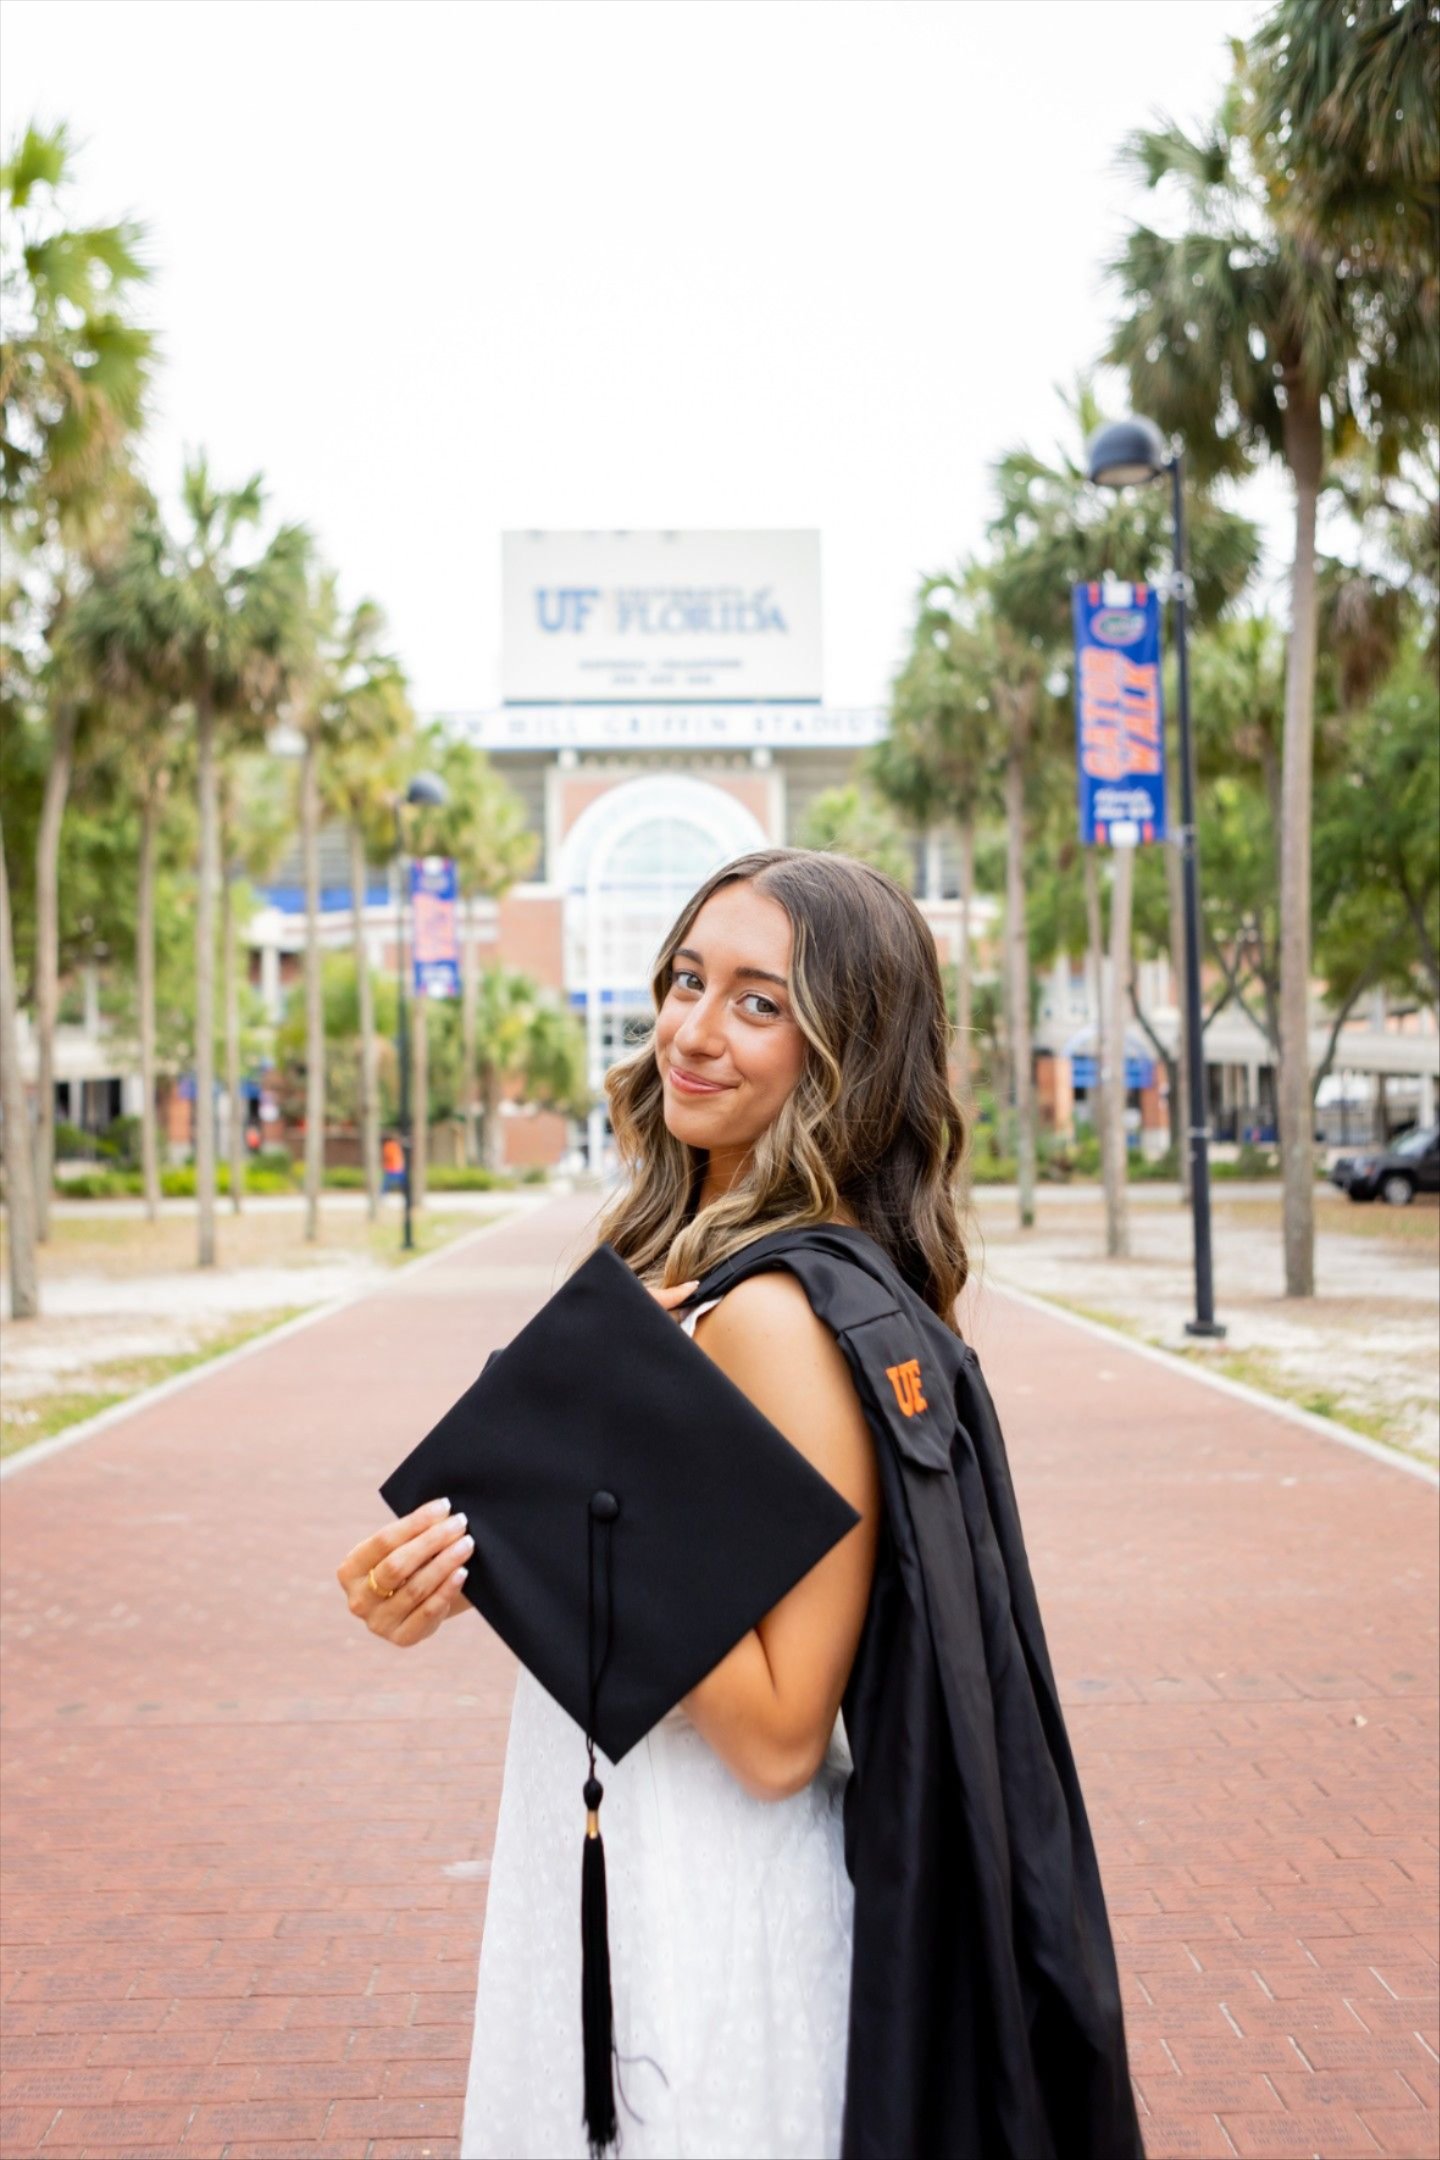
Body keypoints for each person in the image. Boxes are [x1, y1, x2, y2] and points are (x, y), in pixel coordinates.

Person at [336, 847, 1138, 2160]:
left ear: (847, 1052)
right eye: (687, 980)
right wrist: (438, 1575)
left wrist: (605, 1454)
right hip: (628, 1871)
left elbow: (776, 1733)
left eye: (759, 1003)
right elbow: (620, 1584)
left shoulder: (774, 1317)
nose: (692, 1033)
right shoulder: (683, 1279)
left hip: (707, 1922)